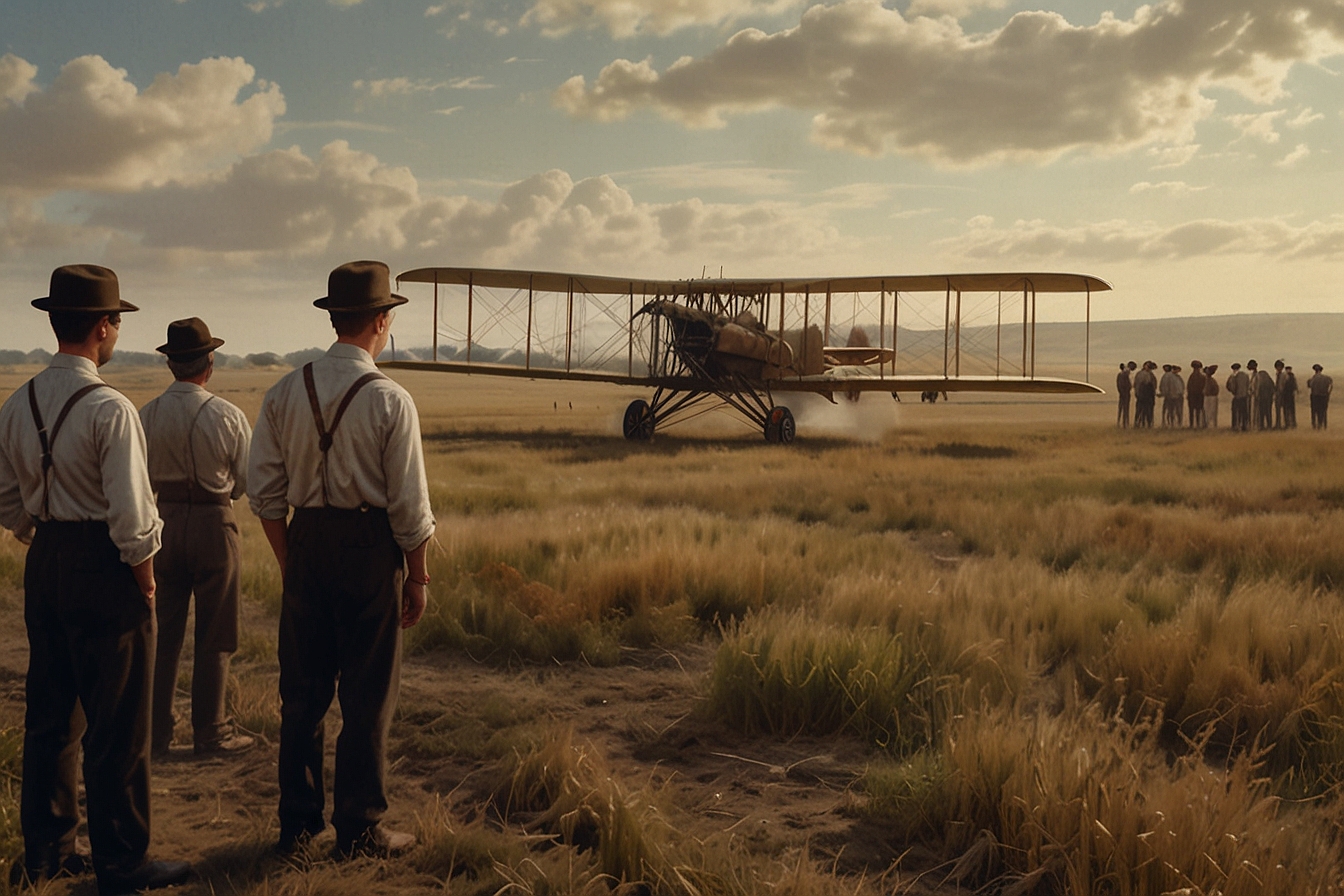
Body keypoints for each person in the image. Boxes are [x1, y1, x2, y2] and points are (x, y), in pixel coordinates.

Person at [0, 265, 191, 893]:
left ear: (56, 322)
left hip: (47, 560)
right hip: (106, 565)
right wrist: (146, 583)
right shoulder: (111, 408)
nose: (115, 330)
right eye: (115, 320)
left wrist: (42, 532)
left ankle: (48, 853)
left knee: (50, 715)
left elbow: (4, 497)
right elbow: (134, 518)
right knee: (118, 723)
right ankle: (122, 860)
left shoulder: (17, 402)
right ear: (103, 327)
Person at [249, 260, 435, 858]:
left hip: (305, 541)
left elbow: (265, 494)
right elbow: (409, 505)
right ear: (381, 321)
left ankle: (298, 825)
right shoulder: (390, 399)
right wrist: (418, 577)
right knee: (367, 695)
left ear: (335, 319)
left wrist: (289, 559)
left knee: (300, 695)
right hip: (367, 547)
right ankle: (359, 827)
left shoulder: (283, 390)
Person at [140, 318, 255, 759]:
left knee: (162, 633)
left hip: (163, 521)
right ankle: (211, 730)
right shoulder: (228, 415)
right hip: (213, 521)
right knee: (216, 634)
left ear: (170, 364)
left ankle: (155, 733)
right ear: (210, 364)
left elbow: (138, 479)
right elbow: (245, 481)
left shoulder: (146, 414)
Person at [1249, 360, 1275, 431]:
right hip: (1268, 397)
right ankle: (1268, 426)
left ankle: (1262, 426)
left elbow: (1256, 388)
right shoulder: (1264, 375)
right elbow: (1273, 387)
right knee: (1267, 412)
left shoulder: (1257, 376)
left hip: (1262, 397)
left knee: (1262, 412)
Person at [1133, 361, 1157, 428]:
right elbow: (1137, 385)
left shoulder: (1150, 374)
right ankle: (1140, 423)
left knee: (1146, 410)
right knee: (1142, 410)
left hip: (1147, 396)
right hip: (1143, 395)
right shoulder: (1142, 374)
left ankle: (1146, 424)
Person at [1309, 364, 1332, 429]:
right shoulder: (1327, 378)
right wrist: (1328, 393)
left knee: (1314, 411)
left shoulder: (1313, 378)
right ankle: (1322, 424)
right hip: (1324, 397)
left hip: (1315, 397)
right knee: (1323, 411)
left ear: (1315, 370)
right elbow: (1331, 385)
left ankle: (1315, 425)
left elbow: (1310, 385)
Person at [1227, 363, 1250, 431]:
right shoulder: (1245, 375)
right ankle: (1244, 426)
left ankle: (1235, 426)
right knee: (1244, 412)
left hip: (1237, 396)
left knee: (1235, 412)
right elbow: (1248, 385)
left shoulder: (1233, 377)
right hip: (1244, 396)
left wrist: (1232, 391)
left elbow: (1231, 387)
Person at [1186, 361, 1206, 429]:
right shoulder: (1200, 377)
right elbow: (1189, 387)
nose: (1196, 370)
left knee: (1196, 411)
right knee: (1193, 411)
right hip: (1195, 395)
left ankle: (1196, 424)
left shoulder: (1194, 376)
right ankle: (1194, 424)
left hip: (1197, 395)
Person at [1281, 365, 1298, 429]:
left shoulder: (1289, 377)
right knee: (1289, 410)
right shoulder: (1291, 377)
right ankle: (1289, 423)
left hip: (1288, 395)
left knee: (1289, 410)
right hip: (1288, 395)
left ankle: (1290, 423)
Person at [1116, 362, 1133, 428]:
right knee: (1126, 409)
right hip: (1125, 394)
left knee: (1121, 408)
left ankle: (1120, 422)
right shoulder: (1124, 376)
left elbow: (1118, 385)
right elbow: (1129, 385)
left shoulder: (1120, 375)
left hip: (1122, 394)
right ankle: (1125, 423)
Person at [1203, 364, 1220, 429]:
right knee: (1209, 411)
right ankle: (1209, 424)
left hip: (1211, 397)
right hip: (1209, 397)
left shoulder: (1211, 380)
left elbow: (1216, 390)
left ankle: (1211, 424)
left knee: (1211, 411)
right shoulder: (1209, 380)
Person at [1274, 360, 1287, 429]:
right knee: (1278, 410)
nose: (1278, 368)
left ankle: (1285, 424)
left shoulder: (1283, 375)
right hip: (1278, 394)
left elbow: (1284, 386)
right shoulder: (1277, 375)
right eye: (1277, 367)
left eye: (1279, 367)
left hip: (1283, 394)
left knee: (1284, 410)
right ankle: (1278, 424)